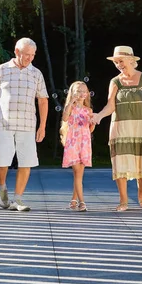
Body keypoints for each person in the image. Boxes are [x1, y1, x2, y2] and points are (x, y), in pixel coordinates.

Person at [0, 38, 49, 212]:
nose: (30, 58)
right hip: (4, 123)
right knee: (1, 160)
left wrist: (42, 126)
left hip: (28, 124)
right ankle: (2, 187)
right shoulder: (2, 70)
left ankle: (18, 199)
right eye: (26, 54)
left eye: (32, 55)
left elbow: (43, 101)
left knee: (26, 162)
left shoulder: (36, 73)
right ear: (16, 52)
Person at [93, 46, 142, 211]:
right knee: (120, 161)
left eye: (121, 61)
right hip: (120, 126)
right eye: (116, 62)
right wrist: (99, 116)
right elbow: (110, 105)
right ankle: (123, 200)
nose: (118, 65)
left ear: (131, 60)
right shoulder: (115, 82)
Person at [59, 81, 95, 212]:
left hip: (84, 143)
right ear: (72, 93)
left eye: (84, 91)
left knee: (79, 174)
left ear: (87, 94)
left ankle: (73, 200)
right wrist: (70, 103)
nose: (81, 94)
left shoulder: (89, 110)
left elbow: (90, 129)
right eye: (78, 91)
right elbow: (64, 118)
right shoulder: (70, 108)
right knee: (78, 173)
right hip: (73, 142)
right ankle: (82, 202)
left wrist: (93, 123)